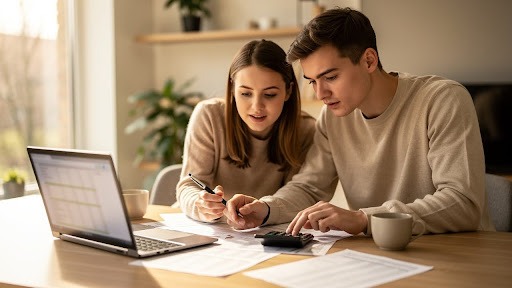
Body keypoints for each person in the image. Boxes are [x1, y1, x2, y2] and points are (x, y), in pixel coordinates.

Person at [224, 8, 495, 235]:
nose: (321, 94)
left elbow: (462, 204)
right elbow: (309, 185)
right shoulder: (333, 117)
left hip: (461, 255)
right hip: (379, 257)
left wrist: (365, 219)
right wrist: (267, 208)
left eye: (330, 77)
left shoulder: (443, 100)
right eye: (313, 82)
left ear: (368, 60)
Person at [176, 39, 316, 222]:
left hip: (261, 232)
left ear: (288, 91)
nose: (257, 107)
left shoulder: (306, 130)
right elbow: (188, 185)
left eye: (270, 94)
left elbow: (298, 195)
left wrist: (264, 210)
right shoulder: (209, 115)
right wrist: (200, 203)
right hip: (209, 227)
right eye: (246, 94)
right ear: (233, 88)